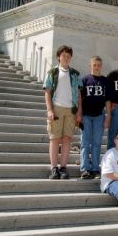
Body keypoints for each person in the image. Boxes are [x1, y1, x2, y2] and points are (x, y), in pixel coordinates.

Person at [44, 45, 83, 180]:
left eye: (68, 56)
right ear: (58, 57)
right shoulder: (52, 72)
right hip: (57, 107)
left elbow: (78, 93)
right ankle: (54, 167)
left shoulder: (75, 74)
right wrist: (49, 109)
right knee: (55, 139)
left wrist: (79, 110)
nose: (66, 58)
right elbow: (48, 92)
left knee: (67, 139)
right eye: (64, 56)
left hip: (70, 109)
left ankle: (63, 167)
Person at [79, 55, 113, 180]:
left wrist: (108, 115)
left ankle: (94, 168)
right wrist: (79, 113)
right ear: (90, 65)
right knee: (85, 143)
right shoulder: (85, 80)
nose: (97, 67)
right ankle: (84, 168)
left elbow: (108, 100)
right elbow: (79, 99)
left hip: (99, 114)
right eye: (94, 65)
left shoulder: (105, 81)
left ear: (101, 66)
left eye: (99, 65)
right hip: (86, 114)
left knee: (97, 143)